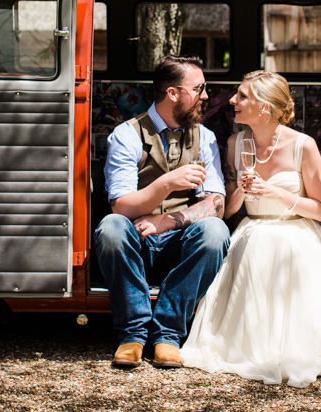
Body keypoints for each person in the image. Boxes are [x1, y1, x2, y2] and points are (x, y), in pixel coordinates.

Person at [181, 70, 321, 387]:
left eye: (242, 96)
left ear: (264, 106)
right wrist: (241, 191)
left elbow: (320, 209)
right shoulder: (236, 142)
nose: (232, 100)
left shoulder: (304, 146)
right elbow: (230, 210)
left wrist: (274, 192)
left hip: (296, 236)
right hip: (251, 231)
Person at [92, 55, 230, 369]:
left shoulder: (204, 137)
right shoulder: (127, 134)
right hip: (135, 240)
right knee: (111, 227)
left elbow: (216, 204)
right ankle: (132, 334)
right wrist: (167, 183)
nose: (205, 96)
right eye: (199, 89)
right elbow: (121, 204)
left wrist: (166, 221)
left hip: (177, 240)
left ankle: (167, 335)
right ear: (173, 94)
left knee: (215, 232)